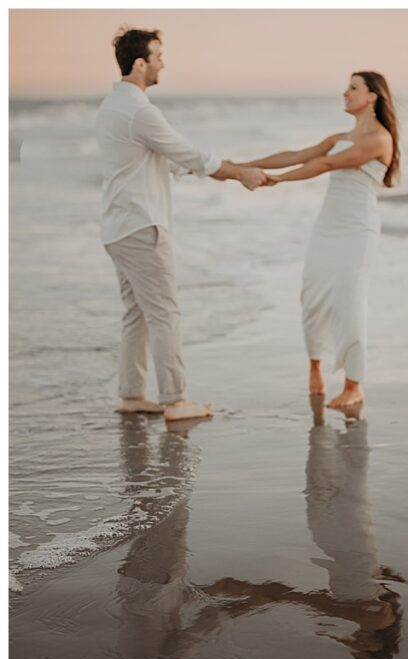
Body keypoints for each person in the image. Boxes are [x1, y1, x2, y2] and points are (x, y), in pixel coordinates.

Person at [98, 27, 267, 422]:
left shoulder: (112, 107)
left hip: (118, 226)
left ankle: (132, 394)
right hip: (141, 226)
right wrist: (239, 173)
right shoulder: (140, 110)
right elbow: (187, 153)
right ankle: (175, 400)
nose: (163, 63)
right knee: (164, 313)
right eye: (158, 56)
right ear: (140, 63)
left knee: (136, 314)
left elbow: (165, 160)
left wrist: (223, 168)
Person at [241, 72, 399, 416]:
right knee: (311, 295)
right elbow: (298, 154)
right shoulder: (340, 136)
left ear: (373, 96)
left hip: (357, 229)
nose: (345, 92)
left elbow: (327, 164)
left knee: (348, 300)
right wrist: (243, 167)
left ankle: (354, 384)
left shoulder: (379, 139)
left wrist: (277, 181)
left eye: (353, 87)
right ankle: (315, 365)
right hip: (327, 225)